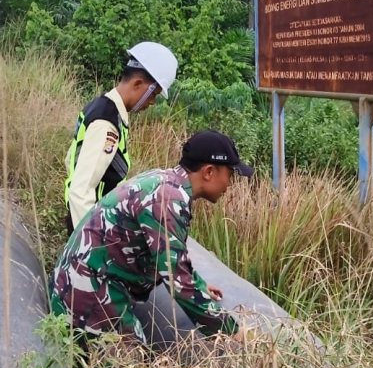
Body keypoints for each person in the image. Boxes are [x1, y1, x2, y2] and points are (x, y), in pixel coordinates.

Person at [49, 130, 253, 356]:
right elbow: (178, 281)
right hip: (87, 287)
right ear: (208, 172)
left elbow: (173, 256)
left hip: (88, 280)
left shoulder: (167, 183)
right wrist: (233, 331)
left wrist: (200, 284)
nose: (230, 184)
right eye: (230, 174)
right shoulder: (167, 200)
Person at [63, 42, 178, 235]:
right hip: (89, 226)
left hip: (87, 220)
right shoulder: (106, 122)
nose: (151, 102)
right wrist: (94, 243)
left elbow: (71, 160)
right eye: (154, 95)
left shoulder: (103, 107)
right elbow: (80, 191)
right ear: (138, 84)